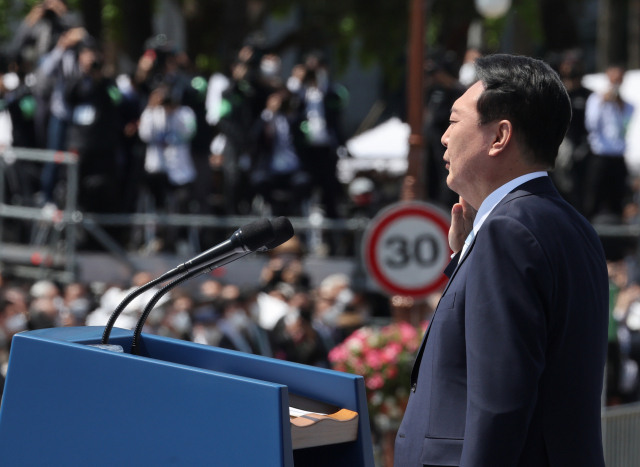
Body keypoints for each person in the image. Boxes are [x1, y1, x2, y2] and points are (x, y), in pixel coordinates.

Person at [394, 54, 609, 467]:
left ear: (500, 136)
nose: (443, 137)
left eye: (454, 121)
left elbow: (499, 405)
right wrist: (465, 257)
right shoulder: (571, 225)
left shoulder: (508, 230)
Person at [584, 65, 634, 221]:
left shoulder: (627, 105)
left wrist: (619, 105)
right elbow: (591, 124)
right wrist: (603, 102)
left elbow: (625, 127)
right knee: (593, 198)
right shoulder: (595, 99)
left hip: (618, 158)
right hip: (600, 156)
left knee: (618, 199)